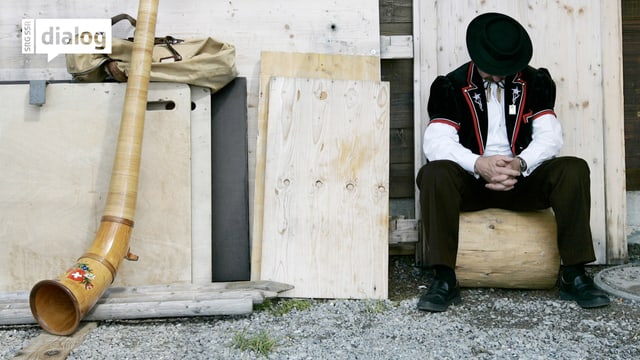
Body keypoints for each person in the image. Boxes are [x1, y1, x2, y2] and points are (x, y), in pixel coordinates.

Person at [416, 12, 610, 312]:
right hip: (473, 182)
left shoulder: (536, 81)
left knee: (574, 168)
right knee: (434, 173)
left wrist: (520, 163)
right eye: (493, 68)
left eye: (504, 68)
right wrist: (478, 164)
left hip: (522, 180)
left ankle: (574, 274)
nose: (499, 75)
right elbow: (436, 143)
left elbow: (550, 138)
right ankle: (444, 277)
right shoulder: (449, 86)